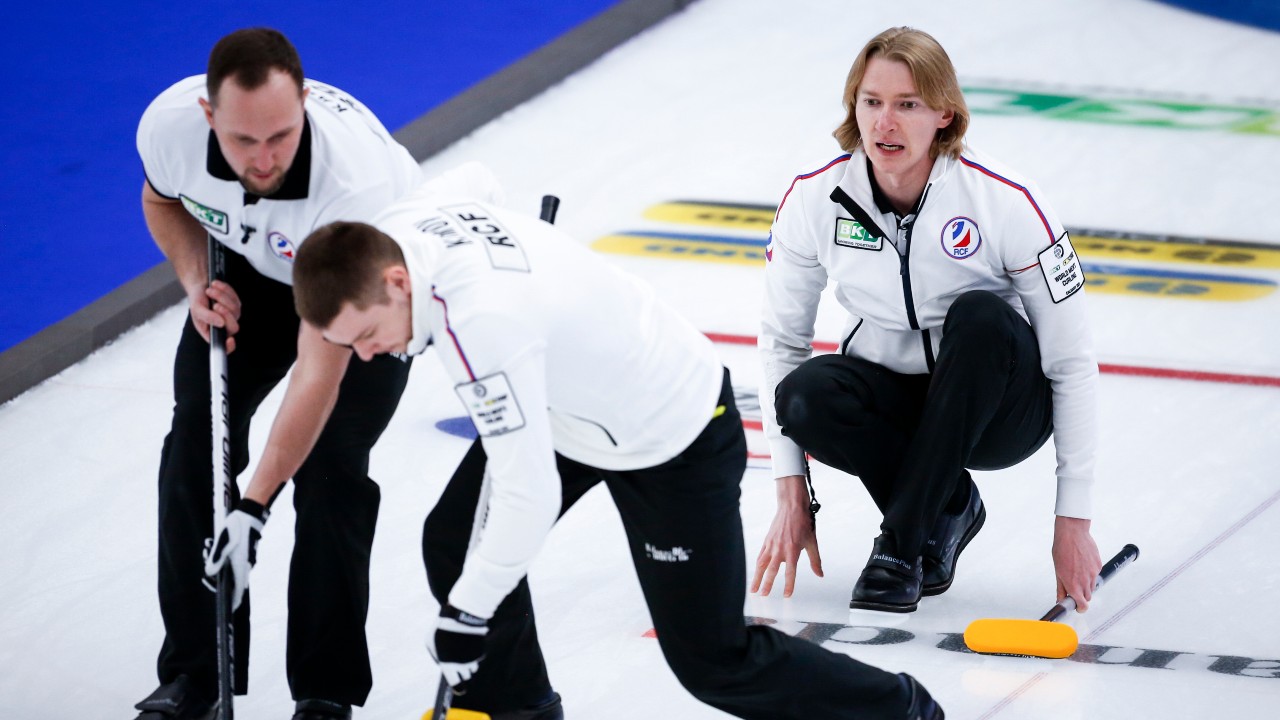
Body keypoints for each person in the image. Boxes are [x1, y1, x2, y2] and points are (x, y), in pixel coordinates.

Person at [279, 165, 944, 720]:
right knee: (455, 537)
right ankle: (521, 711)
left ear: (397, 283)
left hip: (673, 430)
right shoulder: (403, 230)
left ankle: (900, 707)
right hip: (572, 402)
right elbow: (474, 179)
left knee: (714, 662)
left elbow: (527, 494)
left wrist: (467, 616)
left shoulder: (481, 326)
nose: (367, 356)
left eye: (367, 333)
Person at [750, 26, 1104, 614]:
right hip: (894, 399)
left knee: (982, 316)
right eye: (872, 102)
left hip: (998, 410)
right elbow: (780, 342)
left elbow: (1071, 362)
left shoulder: (1006, 200)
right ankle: (946, 509)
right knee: (805, 395)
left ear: (944, 113)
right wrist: (792, 493)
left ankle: (899, 546)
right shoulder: (815, 198)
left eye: (907, 105)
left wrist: (1073, 520)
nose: (885, 123)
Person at [133, 28, 421, 720]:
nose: (263, 160)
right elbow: (162, 201)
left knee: (329, 470)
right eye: (242, 142)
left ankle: (325, 692)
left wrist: (254, 506)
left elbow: (318, 372)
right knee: (195, 444)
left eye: (282, 138)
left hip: (359, 288)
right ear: (209, 117)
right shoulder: (167, 127)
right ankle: (193, 677)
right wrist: (196, 278)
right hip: (251, 269)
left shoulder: (354, 188)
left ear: (305, 109)